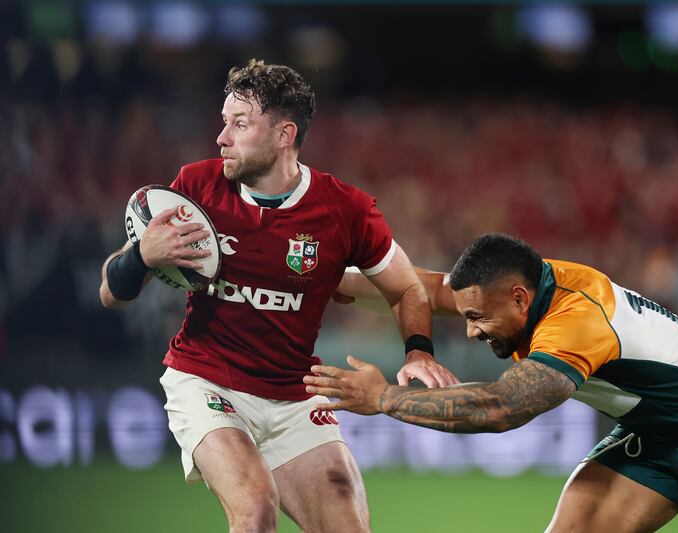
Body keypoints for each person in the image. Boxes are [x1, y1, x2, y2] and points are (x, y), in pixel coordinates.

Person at [99, 59, 459, 533]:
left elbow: (406, 286)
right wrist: (142, 256)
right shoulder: (194, 188)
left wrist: (418, 351)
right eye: (224, 122)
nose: (221, 137)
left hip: (295, 396)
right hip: (207, 381)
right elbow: (112, 292)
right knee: (255, 508)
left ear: (284, 134)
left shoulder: (346, 211)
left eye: (239, 124)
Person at [307, 233, 678, 533]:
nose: (471, 331)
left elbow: (503, 408)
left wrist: (384, 397)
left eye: (477, 319)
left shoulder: (575, 322)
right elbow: (425, 288)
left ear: (519, 299)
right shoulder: (518, 287)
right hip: (655, 433)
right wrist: (324, 280)